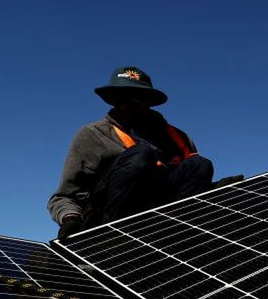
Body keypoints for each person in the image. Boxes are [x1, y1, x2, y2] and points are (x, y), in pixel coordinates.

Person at [48, 66, 221, 240]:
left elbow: (190, 183)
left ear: (148, 101)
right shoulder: (93, 134)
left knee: (200, 165)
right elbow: (64, 196)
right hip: (109, 217)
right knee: (142, 155)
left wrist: (217, 190)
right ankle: (112, 239)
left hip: (163, 211)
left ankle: (181, 236)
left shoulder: (176, 137)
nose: (124, 105)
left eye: (133, 99)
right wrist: (70, 219)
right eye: (118, 99)